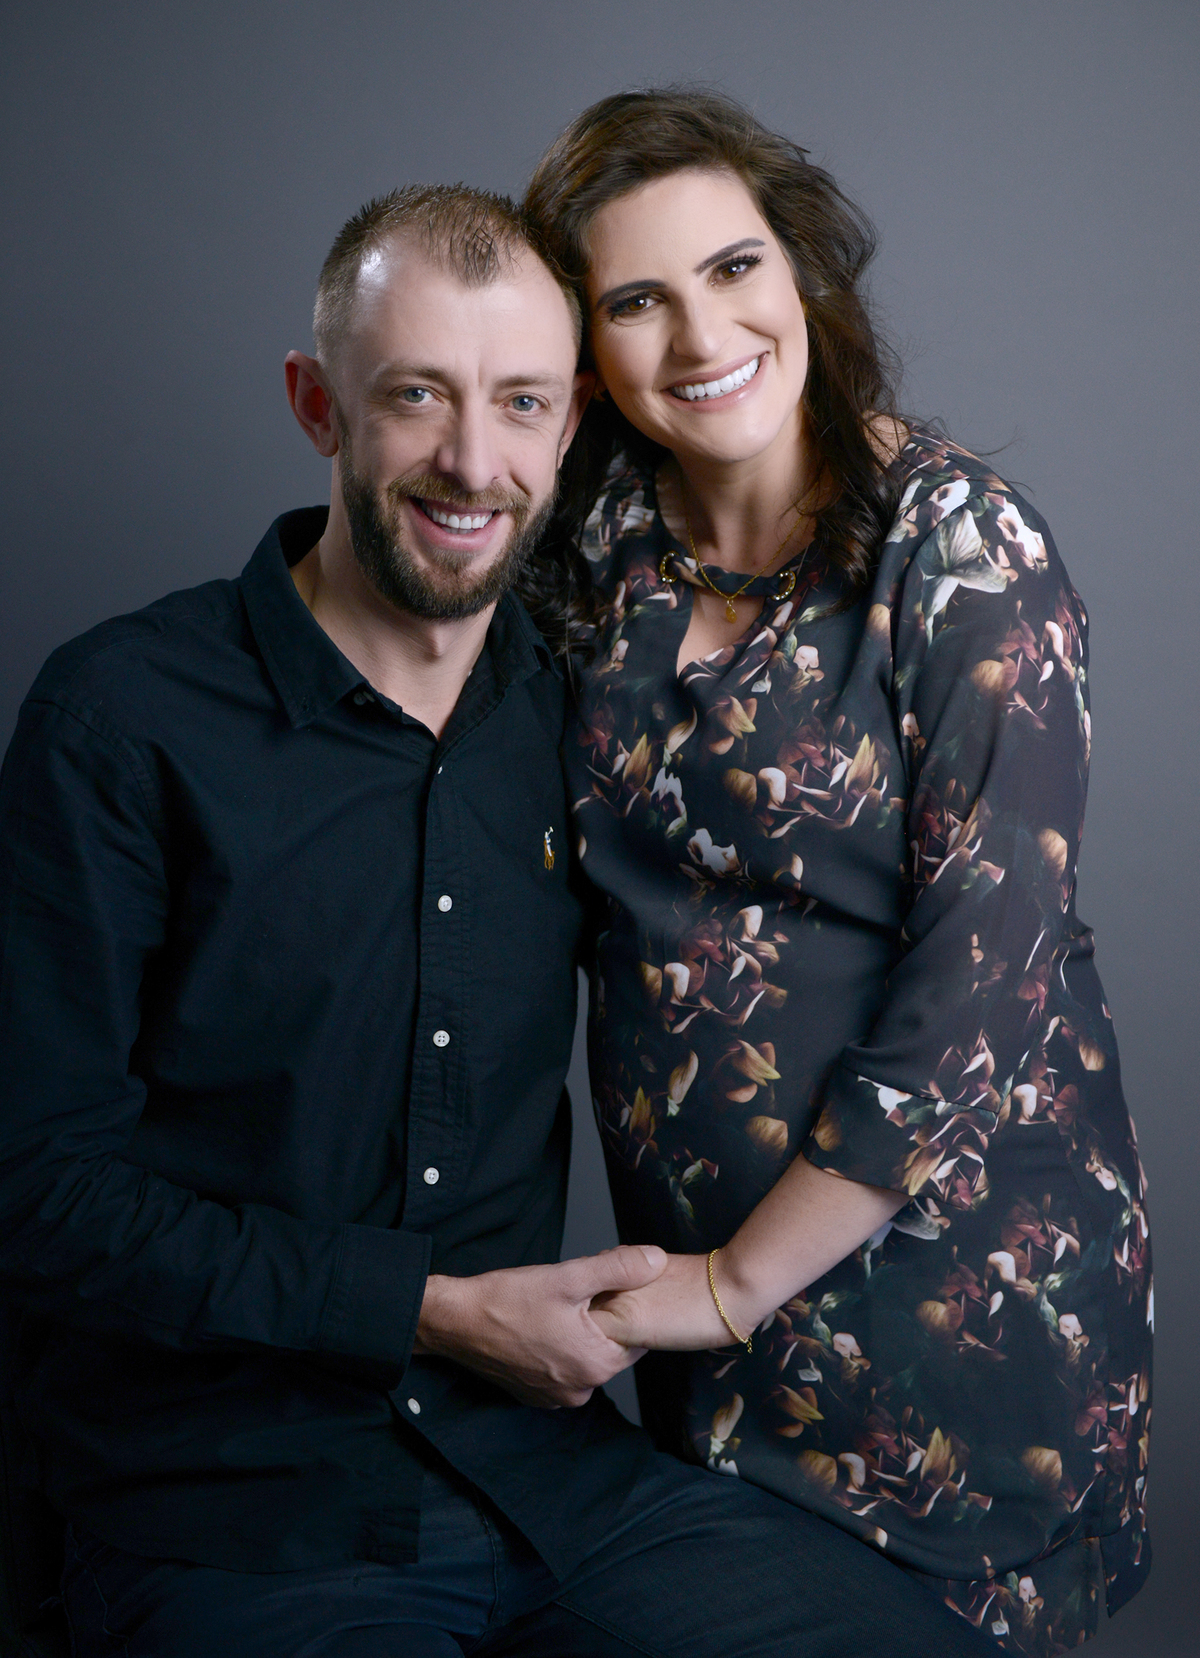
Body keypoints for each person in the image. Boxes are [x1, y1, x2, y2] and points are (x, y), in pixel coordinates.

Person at [0, 184, 993, 1658]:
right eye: (417, 396)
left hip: (544, 1476)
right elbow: (33, 1189)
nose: (473, 462)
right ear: (318, 404)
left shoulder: (586, 705)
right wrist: (425, 1309)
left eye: (521, 402)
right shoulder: (121, 719)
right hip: (235, 1512)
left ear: (572, 420)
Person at [522, 89, 1153, 1656]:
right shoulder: (594, 548)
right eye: (638, 300)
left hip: (954, 1300)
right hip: (704, 1326)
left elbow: (983, 982)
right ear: (585, 345)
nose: (703, 335)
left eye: (735, 267)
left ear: (801, 270)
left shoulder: (961, 553)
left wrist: (737, 1283)